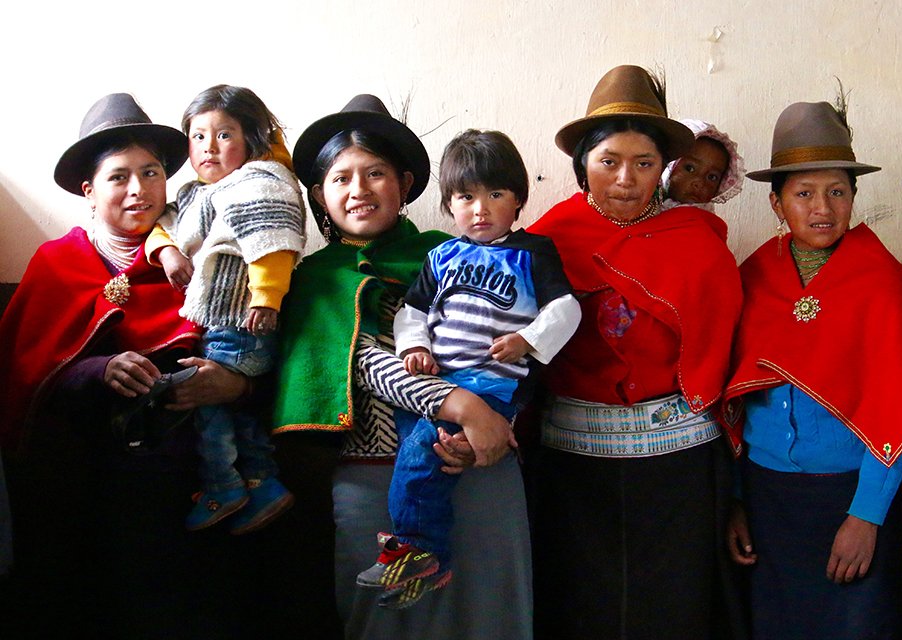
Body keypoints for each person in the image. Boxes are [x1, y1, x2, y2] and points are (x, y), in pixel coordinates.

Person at [273, 95, 532, 639]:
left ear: (406, 183)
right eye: (341, 178)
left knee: (489, 612)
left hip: (480, 465)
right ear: (320, 194)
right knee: (385, 620)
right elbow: (365, 361)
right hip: (372, 483)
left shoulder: (455, 253)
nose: (359, 190)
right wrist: (458, 405)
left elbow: (514, 344)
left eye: (375, 173)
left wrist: (490, 425)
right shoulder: (312, 279)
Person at [0, 93, 256, 639]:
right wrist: (99, 370)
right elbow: (26, 376)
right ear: (89, 193)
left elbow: (254, 348)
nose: (139, 190)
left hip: (204, 480)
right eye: (120, 177)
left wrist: (231, 385)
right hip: (94, 488)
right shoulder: (58, 264)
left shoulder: (206, 260)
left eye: (151, 173)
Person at [527, 65, 745, 640]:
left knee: (675, 606)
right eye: (609, 162)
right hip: (574, 467)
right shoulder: (545, 241)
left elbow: (723, 349)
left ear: (662, 170)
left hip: (680, 466)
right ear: (583, 166)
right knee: (581, 605)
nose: (625, 180)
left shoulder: (697, 241)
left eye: (644, 164)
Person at [720, 100, 902, 640]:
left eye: (837, 191)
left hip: (851, 496)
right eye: (803, 193)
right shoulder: (754, 279)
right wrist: (740, 502)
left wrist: (867, 517)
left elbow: (897, 409)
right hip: (768, 499)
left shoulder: (884, 282)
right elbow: (740, 402)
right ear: (776, 202)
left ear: (854, 198)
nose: (822, 207)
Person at [357, 129, 579, 607]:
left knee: (422, 453)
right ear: (448, 204)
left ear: (518, 199)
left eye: (495, 194)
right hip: (440, 382)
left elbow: (567, 309)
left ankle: (421, 552)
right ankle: (425, 568)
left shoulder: (533, 253)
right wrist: (413, 347)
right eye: (466, 196)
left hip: (493, 382)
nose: (480, 209)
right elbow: (411, 313)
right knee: (429, 452)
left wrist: (527, 339)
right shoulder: (441, 256)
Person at [148, 84, 305, 533]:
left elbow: (272, 244)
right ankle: (262, 483)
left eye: (224, 134)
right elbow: (164, 225)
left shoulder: (259, 182)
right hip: (229, 322)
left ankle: (223, 484)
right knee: (235, 410)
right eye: (198, 136)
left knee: (207, 400)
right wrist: (167, 254)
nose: (208, 147)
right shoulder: (200, 192)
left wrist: (266, 298)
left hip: (242, 320)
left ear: (252, 138)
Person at [661, 118, 745, 210]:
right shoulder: (647, 207)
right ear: (667, 166)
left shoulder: (706, 221)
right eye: (689, 168)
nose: (699, 183)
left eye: (712, 177)